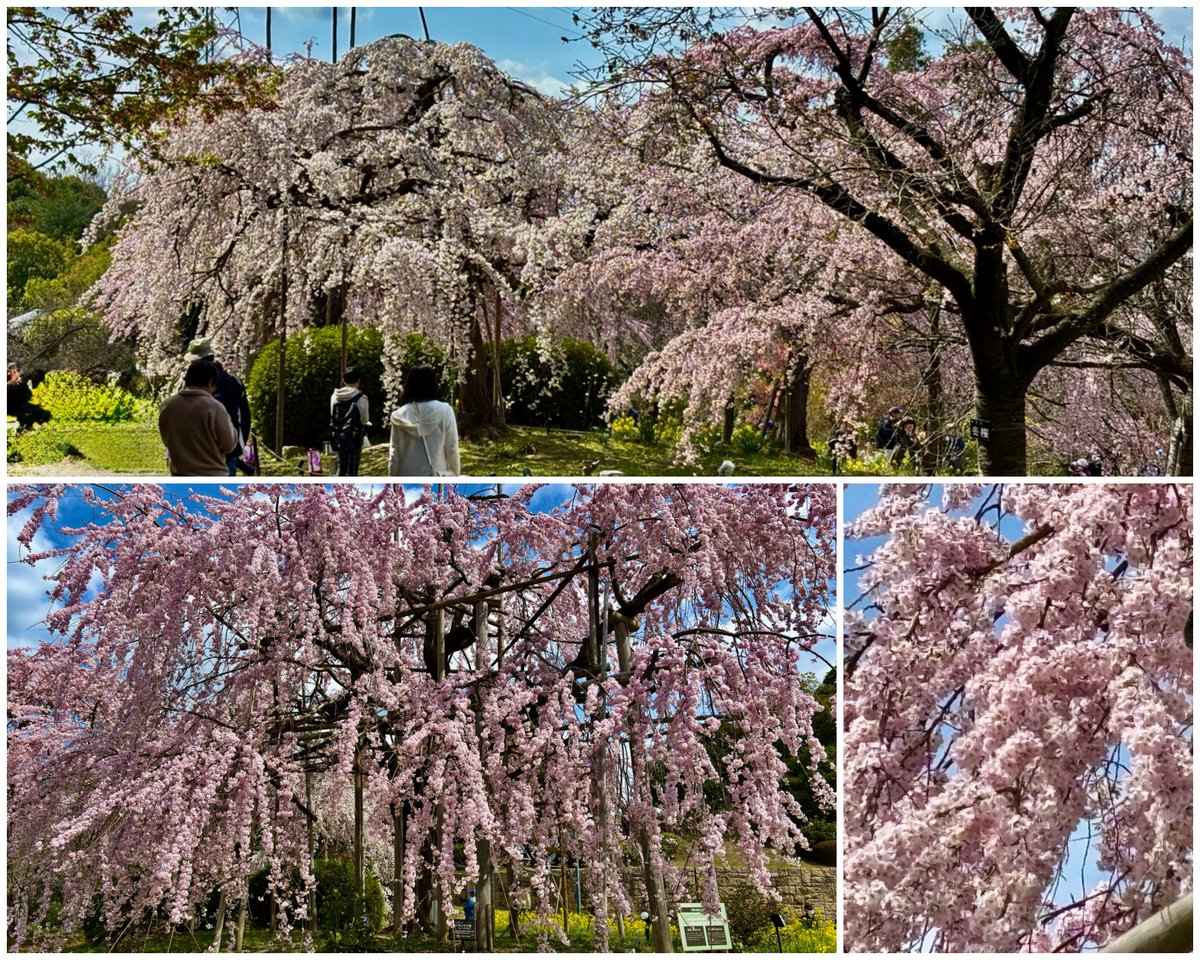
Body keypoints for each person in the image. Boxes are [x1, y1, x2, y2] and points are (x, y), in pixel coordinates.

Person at [184, 338, 252, 476]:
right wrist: (239, 445)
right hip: (228, 449)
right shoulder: (232, 381)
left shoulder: (193, 385)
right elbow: (245, 417)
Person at [159, 360, 238, 476]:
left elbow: (167, 440)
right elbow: (228, 444)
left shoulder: (167, 406)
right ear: (210, 382)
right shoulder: (214, 407)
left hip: (180, 476)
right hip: (212, 476)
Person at [389, 366, 460, 477]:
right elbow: (452, 448)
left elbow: (394, 454)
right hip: (436, 474)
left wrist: (392, 479)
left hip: (406, 476)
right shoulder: (445, 411)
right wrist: (455, 474)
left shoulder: (399, 415)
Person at [329, 366, 370, 477]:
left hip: (339, 435)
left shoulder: (335, 397)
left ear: (343, 381)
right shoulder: (362, 398)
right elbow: (365, 420)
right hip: (354, 436)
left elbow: (333, 415)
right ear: (358, 381)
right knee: (353, 469)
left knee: (341, 466)